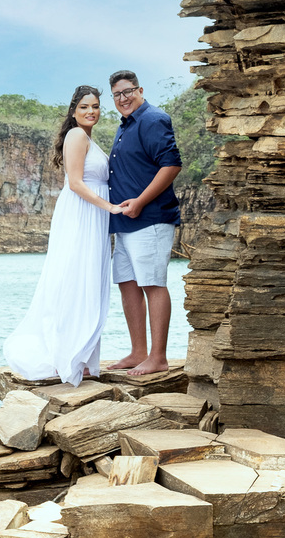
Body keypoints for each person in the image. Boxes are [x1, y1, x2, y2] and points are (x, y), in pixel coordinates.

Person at [3, 85, 124, 387]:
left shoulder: (88, 138)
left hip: (92, 216)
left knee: (88, 280)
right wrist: (109, 206)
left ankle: (78, 355)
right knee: (74, 279)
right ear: (73, 111)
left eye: (95, 106)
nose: (91, 111)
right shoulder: (76, 135)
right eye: (84, 107)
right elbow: (75, 183)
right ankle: (65, 354)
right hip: (81, 216)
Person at [106, 70, 182, 377]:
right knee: (127, 284)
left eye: (128, 92)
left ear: (140, 90)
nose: (123, 99)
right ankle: (138, 351)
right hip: (124, 223)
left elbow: (172, 164)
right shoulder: (126, 125)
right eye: (117, 95)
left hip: (150, 218)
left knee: (152, 283)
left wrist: (140, 202)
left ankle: (158, 357)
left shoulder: (152, 119)